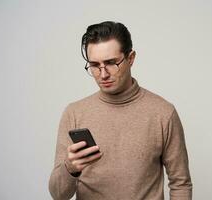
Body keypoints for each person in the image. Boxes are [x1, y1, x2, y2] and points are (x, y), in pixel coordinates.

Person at [49, 21, 192, 200]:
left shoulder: (163, 113)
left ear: (130, 58)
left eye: (111, 63)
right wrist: (70, 168)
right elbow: (57, 194)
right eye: (94, 65)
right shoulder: (74, 113)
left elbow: (180, 183)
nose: (103, 74)